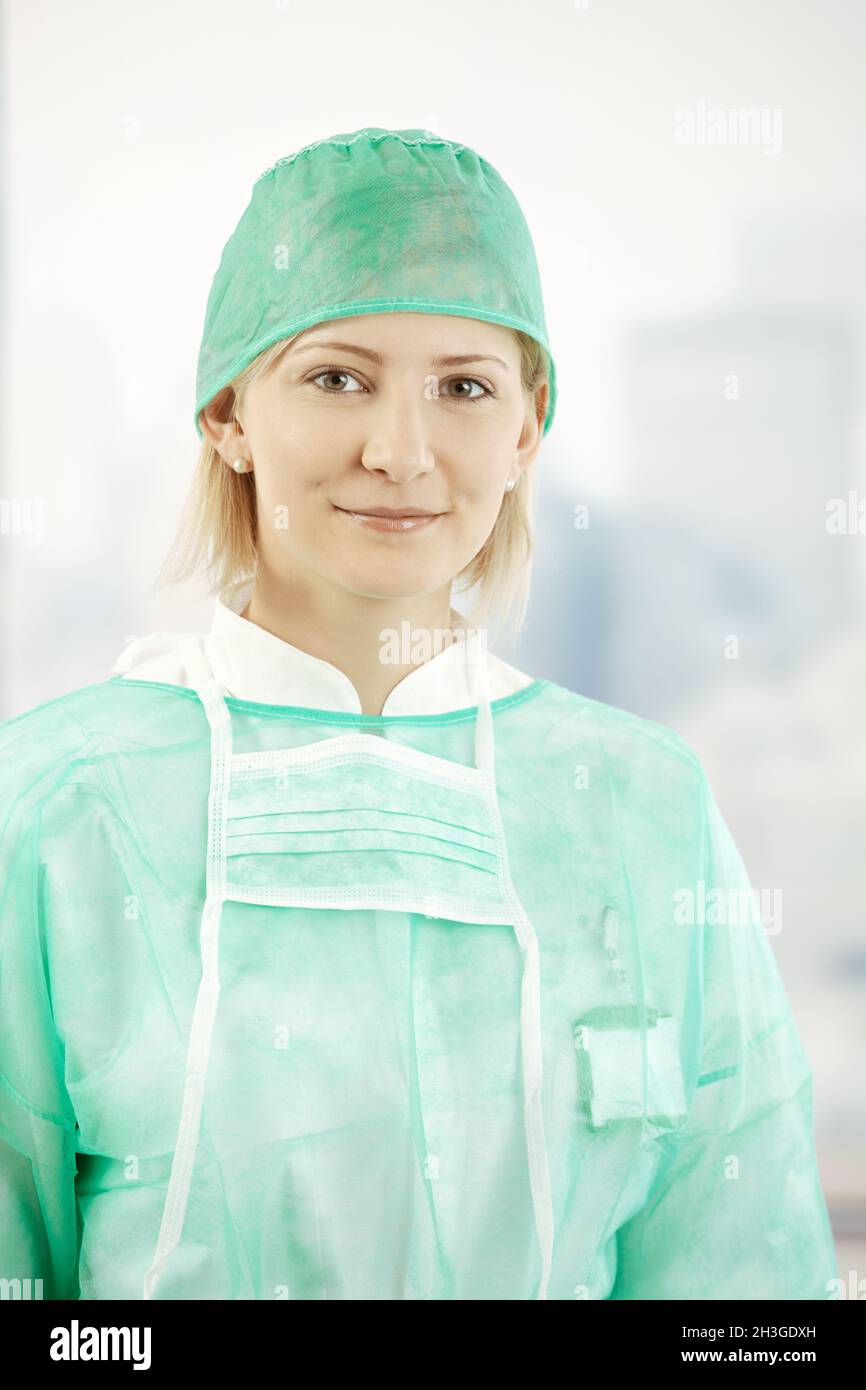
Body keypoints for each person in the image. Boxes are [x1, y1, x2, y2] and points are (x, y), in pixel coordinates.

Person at [0, 127, 838, 1301]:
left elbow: (740, 1289)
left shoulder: (642, 808)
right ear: (227, 417)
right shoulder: (57, 806)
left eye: (462, 388)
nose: (399, 451)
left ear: (525, 427)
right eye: (336, 377)